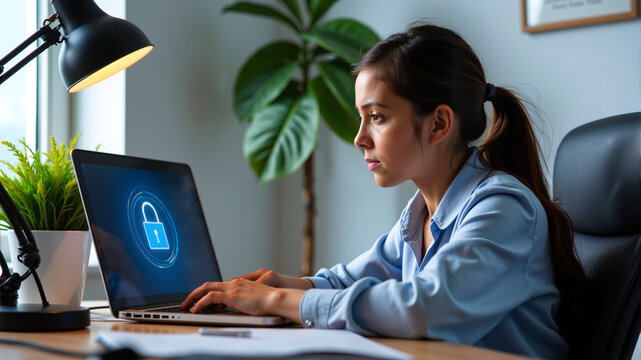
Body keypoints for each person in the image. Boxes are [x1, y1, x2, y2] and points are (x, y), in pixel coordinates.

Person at [181, 23, 586, 359]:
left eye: (376, 117)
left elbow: (422, 308)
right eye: (362, 118)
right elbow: (350, 279)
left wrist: (274, 303)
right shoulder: (420, 216)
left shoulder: (504, 208)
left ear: (438, 125)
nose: (359, 138)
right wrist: (286, 284)